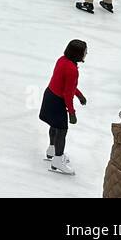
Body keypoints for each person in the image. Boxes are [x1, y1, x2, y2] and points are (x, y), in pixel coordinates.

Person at [39, 40, 88, 176]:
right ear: (77, 54)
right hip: (58, 101)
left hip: (50, 95)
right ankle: (58, 160)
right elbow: (67, 93)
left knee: (55, 125)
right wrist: (71, 113)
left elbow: (66, 84)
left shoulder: (62, 60)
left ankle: (52, 150)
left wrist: (79, 95)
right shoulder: (72, 69)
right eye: (84, 51)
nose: (86, 53)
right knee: (62, 130)